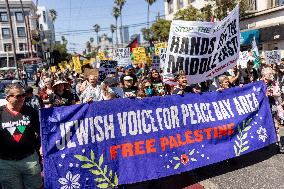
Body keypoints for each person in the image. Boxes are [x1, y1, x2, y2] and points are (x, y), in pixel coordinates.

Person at [0, 84, 42, 189]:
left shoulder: (31, 112)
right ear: (8, 98)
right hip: (6, 164)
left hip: (30, 160)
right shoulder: (0, 113)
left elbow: (42, 131)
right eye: (18, 96)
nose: (22, 98)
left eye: (24, 95)